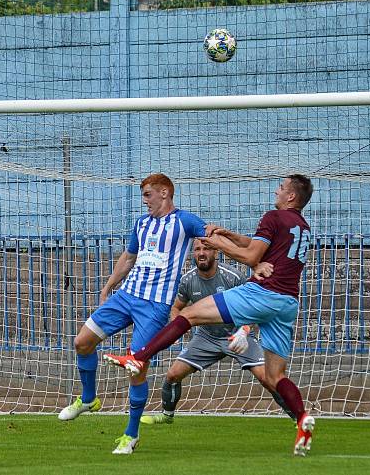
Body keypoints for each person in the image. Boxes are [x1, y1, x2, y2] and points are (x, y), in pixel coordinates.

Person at [113, 175, 316, 456]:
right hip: (288, 303)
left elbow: (250, 257)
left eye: (281, 188)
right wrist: (230, 236)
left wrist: (214, 242)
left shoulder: (273, 216)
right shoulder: (303, 226)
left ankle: (139, 357)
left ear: (291, 196)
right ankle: (303, 418)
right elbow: (255, 246)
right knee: (275, 375)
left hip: (263, 294)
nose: (277, 191)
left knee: (191, 314)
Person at [57, 173, 207, 455]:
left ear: (165, 193)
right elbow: (128, 257)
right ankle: (88, 398)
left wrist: (250, 256)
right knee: (82, 342)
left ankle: (131, 434)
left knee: (135, 365)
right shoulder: (141, 223)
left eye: (148, 195)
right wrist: (109, 286)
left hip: (155, 306)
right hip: (126, 296)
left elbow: (210, 235)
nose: (144, 201)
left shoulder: (184, 221)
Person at [138, 239, 294, 425]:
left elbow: (254, 307)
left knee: (267, 378)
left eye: (206, 248)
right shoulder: (187, 280)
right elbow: (177, 307)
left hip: (238, 335)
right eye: (197, 249)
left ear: (216, 253)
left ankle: (297, 417)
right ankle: (166, 415)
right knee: (173, 375)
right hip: (206, 337)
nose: (201, 253)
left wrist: (244, 332)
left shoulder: (233, 277)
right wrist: (176, 327)